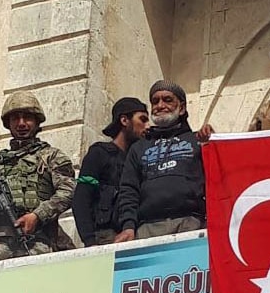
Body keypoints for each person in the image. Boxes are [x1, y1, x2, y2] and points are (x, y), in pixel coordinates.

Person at [0, 91, 76, 264]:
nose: (21, 123)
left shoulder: (51, 157)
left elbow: (69, 191)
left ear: (37, 121)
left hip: (36, 240)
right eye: (15, 118)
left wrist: (37, 215)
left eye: (27, 118)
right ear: (8, 123)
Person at [114, 81, 213, 242]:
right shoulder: (138, 148)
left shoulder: (197, 141)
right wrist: (128, 226)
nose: (160, 105)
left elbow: (217, 181)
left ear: (181, 108)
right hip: (147, 229)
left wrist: (212, 144)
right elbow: (128, 189)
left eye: (167, 100)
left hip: (191, 224)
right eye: (155, 101)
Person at [73, 98, 150, 246]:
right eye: (143, 119)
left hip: (136, 234)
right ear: (124, 120)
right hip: (105, 237)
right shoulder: (100, 154)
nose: (147, 126)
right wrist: (90, 241)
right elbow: (81, 199)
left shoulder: (140, 160)